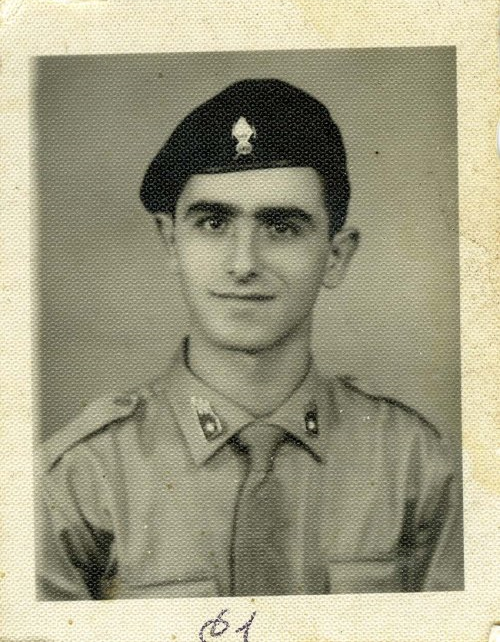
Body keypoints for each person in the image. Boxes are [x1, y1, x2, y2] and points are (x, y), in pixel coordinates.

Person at [37, 78, 463, 600]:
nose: (243, 265)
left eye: (282, 227)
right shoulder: (79, 479)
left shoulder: (413, 461)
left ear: (336, 256)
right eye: (213, 223)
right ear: (170, 242)